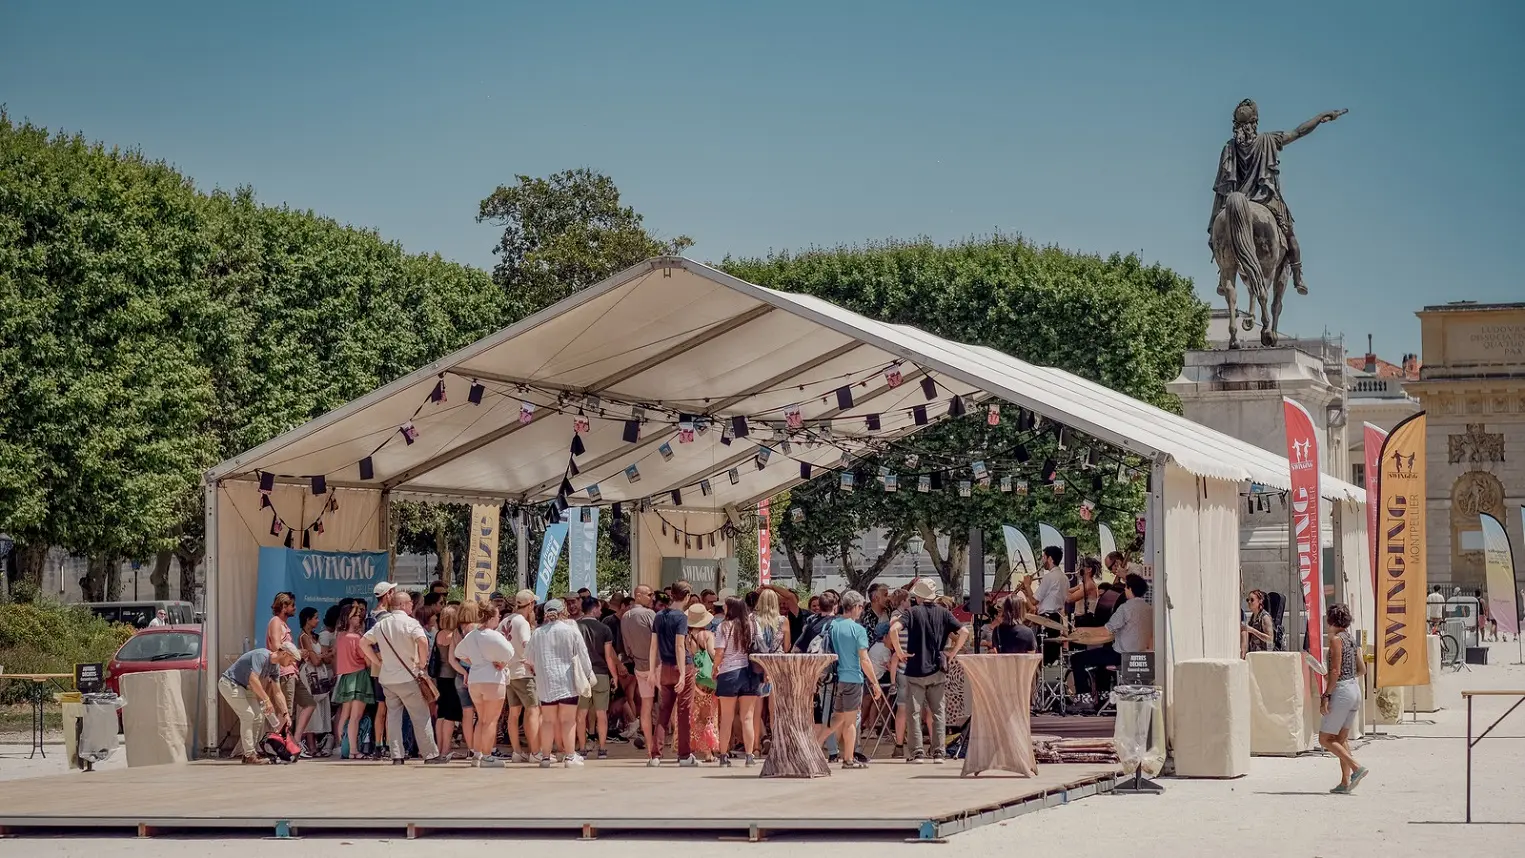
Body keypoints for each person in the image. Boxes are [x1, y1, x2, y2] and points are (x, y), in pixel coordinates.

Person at [1208, 99, 1343, 295]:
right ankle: (1298, 277)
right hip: (1265, 200)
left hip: (1234, 201)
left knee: (1220, 233)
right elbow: (1298, 132)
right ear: (1254, 123)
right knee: (1290, 236)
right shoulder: (1268, 140)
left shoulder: (1229, 147)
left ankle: (1223, 276)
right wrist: (1321, 117)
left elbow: (1224, 184)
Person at [362, 591, 447, 765]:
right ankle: (430, 754)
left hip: (388, 678)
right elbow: (423, 641)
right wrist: (422, 663)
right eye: (409, 603)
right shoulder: (411, 623)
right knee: (420, 716)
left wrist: (377, 661)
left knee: (393, 716)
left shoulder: (381, 624)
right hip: (408, 677)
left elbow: (363, 642)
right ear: (402, 605)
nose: (411, 606)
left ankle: (396, 755)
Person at [891, 579, 968, 763]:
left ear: (918, 596)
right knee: (938, 712)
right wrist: (952, 654)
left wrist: (900, 653)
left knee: (914, 713)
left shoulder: (912, 613)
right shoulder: (944, 613)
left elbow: (894, 629)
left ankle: (917, 752)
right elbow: (964, 631)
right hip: (937, 669)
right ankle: (939, 752)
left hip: (915, 669)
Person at [525, 598, 595, 768]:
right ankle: (570, 756)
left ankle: (546, 758)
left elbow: (528, 658)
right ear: (563, 610)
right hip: (567, 681)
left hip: (546, 682)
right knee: (568, 720)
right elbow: (583, 654)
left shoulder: (538, 633)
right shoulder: (570, 630)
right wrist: (588, 674)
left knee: (548, 721)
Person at [1066, 575, 1154, 709]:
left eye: (1126, 587)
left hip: (1121, 654)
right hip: (1139, 655)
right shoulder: (1149, 609)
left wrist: (1082, 630)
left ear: (1130, 589)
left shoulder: (1126, 608)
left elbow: (1107, 630)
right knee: (1102, 661)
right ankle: (1105, 698)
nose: (1125, 590)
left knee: (1077, 658)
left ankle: (1084, 699)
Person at [822, 590, 883, 769]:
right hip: (853, 678)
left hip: (834, 678)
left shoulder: (832, 626)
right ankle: (848, 758)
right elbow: (864, 659)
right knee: (850, 722)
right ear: (855, 607)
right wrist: (875, 683)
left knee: (837, 719)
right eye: (860, 607)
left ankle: (814, 745)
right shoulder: (858, 630)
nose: (861, 611)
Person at [218, 642, 300, 764]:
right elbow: (253, 679)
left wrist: (285, 714)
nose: (292, 664)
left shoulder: (275, 667)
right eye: (291, 660)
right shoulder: (262, 656)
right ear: (284, 653)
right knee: (248, 715)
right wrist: (266, 700)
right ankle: (249, 754)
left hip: (245, 687)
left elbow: (277, 692)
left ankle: (250, 754)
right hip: (230, 683)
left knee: (259, 717)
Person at [453, 601, 513, 767]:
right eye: (498, 616)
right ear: (492, 617)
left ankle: (477, 754)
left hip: (475, 679)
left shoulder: (472, 635)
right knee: (491, 720)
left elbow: (458, 653)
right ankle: (487, 756)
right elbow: (510, 653)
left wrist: (473, 661)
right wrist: (500, 662)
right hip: (492, 678)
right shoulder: (494, 635)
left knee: (481, 719)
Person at [1319, 603, 1368, 794]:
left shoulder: (1336, 640)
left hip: (1342, 692)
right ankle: (1345, 782)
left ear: (1331, 620)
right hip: (1354, 690)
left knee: (1324, 738)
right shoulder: (1351, 640)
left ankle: (1356, 768)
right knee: (1341, 738)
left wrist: (1326, 695)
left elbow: (1335, 670)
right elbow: (1362, 669)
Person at [711, 596, 761, 766]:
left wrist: (714, 668)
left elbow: (719, 652)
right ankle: (749, 755)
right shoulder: (753, 625)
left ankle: (723, 755)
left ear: (730, 608)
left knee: (726, 718)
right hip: (749, 673)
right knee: (748, 717)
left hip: (729, 672)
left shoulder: (724, 626)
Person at [573, 595, 619, 759]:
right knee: (601, 713)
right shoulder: (604, 629)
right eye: (599, 608)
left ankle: (583, 748)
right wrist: (614, 675)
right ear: (593, 609)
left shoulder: (575, 627)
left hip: (582, 675)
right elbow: (608, 656)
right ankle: (602, 747)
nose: (601, 611)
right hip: (600, 674)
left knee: (581, 714)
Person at [498, 589, 542, 762]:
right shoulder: (522, 622)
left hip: (509, 672)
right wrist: (533, 663)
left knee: (514, 713)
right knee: (533, 710)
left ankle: (517, 751)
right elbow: (526, 644)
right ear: (530, 604)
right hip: (524, 672)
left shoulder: (504, 621)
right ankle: (535, 752)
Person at [621, 585, 660, 758]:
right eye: (649, 594)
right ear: (638, 595)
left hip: (639, 666)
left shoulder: (625, 617)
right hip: (656, 665)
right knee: (667, 704)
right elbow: (658, 639)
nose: (652, 597)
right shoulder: (649, 614)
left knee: (645, 705)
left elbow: (626, 645)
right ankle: (663, 744)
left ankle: (650, 746)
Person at [332, 603, 374, 759]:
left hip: (346, 678)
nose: (359, 618)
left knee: (344, 715)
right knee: (356, 717)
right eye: (355, 615)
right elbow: (367, 659)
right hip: (359, 676)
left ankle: (343, 746)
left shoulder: (340, 636)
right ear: (348, 619)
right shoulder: (358, 639)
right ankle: (353, 749)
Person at [295, 606, 332, 757]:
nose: (317, 620)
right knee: (311, 707)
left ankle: (314, 744)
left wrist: (322, 656)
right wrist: (323, 655)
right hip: (309, 674)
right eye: (315, 617)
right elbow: (315, 660)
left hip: (319, 674)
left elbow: (322, 658)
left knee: (319, 707)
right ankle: (310, 746)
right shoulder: (303, 637)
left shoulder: (315, 637)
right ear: (307, 619)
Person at [265, 593, 301, 739]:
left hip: (289, 671)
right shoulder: (275, 622)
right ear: (284, 606)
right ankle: (280, 742)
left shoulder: (282, 624)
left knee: (288, 709)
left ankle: (283, 741)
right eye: (292, 605)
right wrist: (294, 653)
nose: (295, 608)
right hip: (283, 672)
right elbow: (276, 646)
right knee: (284, 710)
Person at [432, 604, 465, 760]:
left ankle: (438, 748)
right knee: (451, 715)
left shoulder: (438, 634)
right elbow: (457, 657)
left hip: (440, 677)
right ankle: (446, 750)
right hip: (453, 676)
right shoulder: (455, 635)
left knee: (441, 714)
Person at [1034, 546, 1068, 663]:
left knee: (1042, 652)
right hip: (1056, 618)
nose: (1043, 561)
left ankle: (1040, 679)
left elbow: (1034, 600)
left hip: (1046, 618)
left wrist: (1027, 586)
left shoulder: (1049, 577)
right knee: (1051, 650)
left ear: (1050, 559)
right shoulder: (1064, 578)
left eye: (1044, 557)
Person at [1242, 589, 1274, 656]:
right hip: (1254, 655)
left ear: (1260, 601)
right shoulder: (1253, 616)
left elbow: (1270, 639)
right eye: (1248, 600)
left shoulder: (1265, 617)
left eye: (1252, 600)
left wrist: (1252, 630)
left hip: (1263, 656)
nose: (1249, 602)